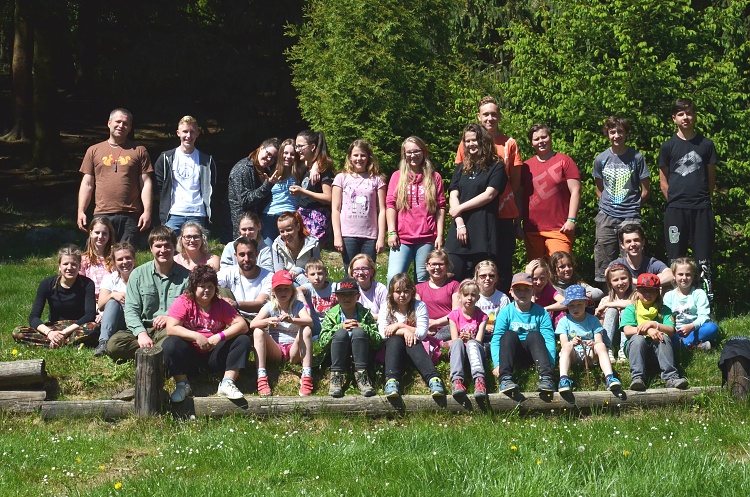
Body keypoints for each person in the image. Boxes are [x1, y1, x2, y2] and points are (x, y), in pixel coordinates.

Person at [455, 96, 523, 292]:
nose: (489, 118)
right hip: (474, 214)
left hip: (503, 213)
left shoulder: (509, 144)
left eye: (493, 114)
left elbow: (516, 184)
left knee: (502, 263)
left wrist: (518, 220)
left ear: (499, 116)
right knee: (473, 265)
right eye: (485, 114)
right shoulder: (467, 143)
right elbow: (461, 179)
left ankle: (502, 304)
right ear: (479, 116)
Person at [659, 98, 718, 301]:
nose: (686, 117)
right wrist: (675, 202)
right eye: (681, 114)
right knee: (676, 258)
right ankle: (674, 304)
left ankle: (705, 303)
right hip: (675, 210)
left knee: (703, 260)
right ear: (674, 118)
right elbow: (663, 182)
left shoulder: (706, 145)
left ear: (695, 115)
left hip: (701, 208)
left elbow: (711, 178)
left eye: (689, 113)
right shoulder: (668, 147)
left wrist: (704, 200)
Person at [163, 265, 250, 403]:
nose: (207, 290)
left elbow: (242, 325)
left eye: (210, 286)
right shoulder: (184, 302)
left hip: (215, 355)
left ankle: (228, 382)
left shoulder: (221, 304)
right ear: (194, 287)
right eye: (202, 286)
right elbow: (171, 328)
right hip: (190, 356)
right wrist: (196, 336)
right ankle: (182, 384)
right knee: (170, 343)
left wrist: (219, 337)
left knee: (243, 339)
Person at [106, 226, 190, 362]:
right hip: (144, 326)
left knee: (171, 344)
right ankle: (155, 352)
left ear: (174, 247)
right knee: (114, 345)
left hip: (170, 330)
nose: (163, 250)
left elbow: (192, 311)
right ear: (151, 248)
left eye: (167, 246)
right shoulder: (137, 274)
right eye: (158, 246)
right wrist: (141, 333)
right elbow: (131, 310)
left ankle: (152, 353)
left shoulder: (187, 277)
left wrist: (170, 318)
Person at [77, 108, 153, 245]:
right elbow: (87, 183)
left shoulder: (139, 151)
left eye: (125, 123)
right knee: (98, 254)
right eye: (118, 122)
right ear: (109, 123)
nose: (121, 126)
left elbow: (146, 183)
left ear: (130, 128)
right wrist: (81, 211)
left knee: (126, 255)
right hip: (102, 213)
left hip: (130, 214)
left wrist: (147, 211)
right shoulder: (94, 150)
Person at [445, 123, 507, 281]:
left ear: (483, 141)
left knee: (483, 280)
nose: (471, 144)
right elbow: (453, 194)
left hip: (483, 231)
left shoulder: (497, 166)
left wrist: (460, 208)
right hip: (459, 230)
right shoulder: (461, 167)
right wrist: (459, 223)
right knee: (452, 276)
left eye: (474, 140)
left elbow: (489, 195)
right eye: (467, 141)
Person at [593, 116, 650, 284]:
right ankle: (605, 295)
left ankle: (635, 295)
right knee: (603, 259)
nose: (616, 136)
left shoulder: (637, 158)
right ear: (607, 134)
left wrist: (634, 207)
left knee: (633, 258)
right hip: (606, 216)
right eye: (612, 132)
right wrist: (608, 206)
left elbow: (645, 190)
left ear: (626, 134)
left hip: (630, 215)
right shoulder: (601, 159)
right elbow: (599, 188)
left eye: (620, 132)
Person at [386, 136, 446, 285]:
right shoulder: (397, 176)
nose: (413, 155)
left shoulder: (434, 177)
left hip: (426, 238)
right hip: (402, 239)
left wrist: (439, 235)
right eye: (409, 152)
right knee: (394, 277)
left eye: (416, 151)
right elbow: (391, 205)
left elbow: (440, 207)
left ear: (424, 152)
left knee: (423, 281)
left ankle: (420, 302)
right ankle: (393, 302)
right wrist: (392, 232)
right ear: (404, 154)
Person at [12, 244, 97, 348]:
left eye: (74, 264)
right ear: (59, 266)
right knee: (18, 332)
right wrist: (50, 333)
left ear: (79, 266)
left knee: (93, 327)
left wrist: (64, 333)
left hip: (76, 327)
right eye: (65, 264)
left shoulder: (87, 284)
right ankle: (68, 342)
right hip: (54, 327)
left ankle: (55, 343)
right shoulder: (47, 284)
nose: (69, 267)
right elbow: (34, 317)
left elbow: (90, 315)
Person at [379, 273, 446, 398]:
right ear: (391, 293)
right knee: (394, 339)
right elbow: (383, 333)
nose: (402, 295)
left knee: (413, 339)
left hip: (416, 348)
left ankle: (433, 379)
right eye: (398, 292)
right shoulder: (386, 307)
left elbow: (422, 333)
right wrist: (405, 331)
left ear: (412, 291)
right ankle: (391, 381)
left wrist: (399, 326)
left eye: (406, 291)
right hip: (393, 350)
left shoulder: (419, 306)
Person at [521, 124, 581, 260]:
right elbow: (519, 196)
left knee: (561, 268)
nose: (541, 141)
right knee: (537, 271)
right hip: (532, 230)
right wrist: (517, 223)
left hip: (559, 229)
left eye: (544, 137)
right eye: (536, 139)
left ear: (550, 137)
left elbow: (576, 191)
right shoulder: (525, 167)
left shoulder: (565, 161)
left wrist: (571, 219)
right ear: (531, 143)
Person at [249, 270, 314, 396]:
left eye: (286, 289)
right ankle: (261, 376)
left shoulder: (298, 305)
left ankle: (307, 375)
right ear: (273, 291)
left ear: (292, 291)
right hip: (276, 349)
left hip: (294, 350)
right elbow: (253, 324)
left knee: (306, 329)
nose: (283, 292)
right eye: (279, 289)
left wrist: (292, 320)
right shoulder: (270, 306)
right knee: (258, 331)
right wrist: (267, 321)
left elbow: (310, 321)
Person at [491, 273, 556, 394]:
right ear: (511, 292)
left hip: (535, 354)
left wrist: (551, 363)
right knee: (508, 335)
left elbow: (549, 338)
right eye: (518, 290)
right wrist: (497, 364)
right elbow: (496, 339)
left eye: (526, 289)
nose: (522, 293)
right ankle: (505, 378)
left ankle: (546, 378)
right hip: (512, 354)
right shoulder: (505, 312)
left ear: (533, 291)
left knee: (534, 335)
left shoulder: (542, 313)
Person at [621, 273, 688, 390]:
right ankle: (637, 378)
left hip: (658, 351)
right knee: (637, 338)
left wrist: (655, 324)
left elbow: (671, 330)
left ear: (658, 292)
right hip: (636, 350)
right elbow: (627, 330)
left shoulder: (664, 309)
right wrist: (648, 330)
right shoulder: (631, 308)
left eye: (652, 291)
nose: (648, 294)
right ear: (637, 291)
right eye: (644, 291)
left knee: (663, 337)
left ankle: (671, 377)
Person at [319, 277, 380, 397]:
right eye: (343, 295)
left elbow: (378, 341)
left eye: (351, 295)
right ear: (336, 297)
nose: (347, 298)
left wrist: (363, 327)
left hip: (363, 355)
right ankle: (336, 376)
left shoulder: (366, 314)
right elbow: (322, 342)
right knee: (340, 333)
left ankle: (362, 375)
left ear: (358, 296)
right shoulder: (331, 315)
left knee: (359, 332)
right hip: (339, 355)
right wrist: (339, 327)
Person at [154, 116, 216, 233]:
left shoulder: (206, 160)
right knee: (170, 244)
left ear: (197, 134)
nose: (188, 136)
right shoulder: (166, 158)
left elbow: (212, 187)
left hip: (198, 214)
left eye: (192, 132)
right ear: (178, 133)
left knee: (196, 245)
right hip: (173, 214)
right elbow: (159, 187)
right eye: (185, 131)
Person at [555, 285, 622, 392]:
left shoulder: (593, 320)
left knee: (601, 346)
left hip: (590, 354)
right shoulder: (564, 321)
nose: (575, 308)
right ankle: (563, 379)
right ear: (567, 306)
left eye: (579, 304)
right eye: (572, 305)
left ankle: (609, 377)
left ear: (586, 304)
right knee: (567, 346)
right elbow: (563, 343)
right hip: (573, 355)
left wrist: (593, 344)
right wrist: (572, 343)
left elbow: (599, 341)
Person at [331, 139, 387, 268]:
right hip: (348, 234)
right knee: (351, 272)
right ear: (350, 157)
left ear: (368, 157)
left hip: (370, 236)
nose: (359, 159)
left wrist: (381, 237)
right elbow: (335, 209)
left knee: (367, 271)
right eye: (356, 155)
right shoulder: (341, 178)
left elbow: (382, 210)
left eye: (363, 155)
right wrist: (337, 235)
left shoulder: (377, 180)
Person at [663, 257, 718, 351]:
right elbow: (666, 318)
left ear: (693, 276)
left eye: (688, 275)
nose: (684, 278)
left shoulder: (699, 293)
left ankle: (683, 345)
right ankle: (695, 346)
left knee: (712, 328)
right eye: (680, 274)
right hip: (675, 332)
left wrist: (692, 326)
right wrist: (672, 330)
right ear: (674, 276)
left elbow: (704, 316)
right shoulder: (669, 296)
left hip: (694, 329)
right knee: (665, 337)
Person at [227, 138, 279, 236]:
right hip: (243, 227)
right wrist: (267, 186)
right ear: (261, 148)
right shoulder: (243, 168)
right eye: (268, 154)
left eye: (273, 158)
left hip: (257, 225)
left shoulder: (265, 170)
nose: (269, 159)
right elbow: (245, 200)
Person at [290, 130, 334, 242]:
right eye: (296, 146)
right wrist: (315, 164)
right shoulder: (308, 167)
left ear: (313, 147)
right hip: (303, 215)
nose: (297, 150)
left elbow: (329, 198)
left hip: (316, 217)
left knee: (312, 252)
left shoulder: (323, 170)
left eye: (300, 146)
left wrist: (303, 192)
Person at [448, 279, 488, 399]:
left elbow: (479, 340)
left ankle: (479, 380)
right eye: (466, 295)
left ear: (478, 298)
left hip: (475, 349)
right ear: (459, 297)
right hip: (459, 348)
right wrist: (461, 338)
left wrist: (471, 338)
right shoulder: (453, 315)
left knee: (472, 343)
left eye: (473, 295)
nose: (469, 298)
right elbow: (454, 338)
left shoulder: (482, 316)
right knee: (457, 342)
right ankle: (457, 381)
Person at [96, 241, 137, 356]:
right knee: (112, 302)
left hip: (137, 318)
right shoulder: (110, 279)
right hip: (118, 320)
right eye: (120, 259)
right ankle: (103, 342)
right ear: (114, 262)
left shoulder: (142, 277)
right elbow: (100, 305)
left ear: (134, 259)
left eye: (128, 258)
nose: (125, 262)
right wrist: (112, 295)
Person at [216, 237, 272, 320]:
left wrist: (236, 304)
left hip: (257, 319)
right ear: (235, 256)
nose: (246, 259)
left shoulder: (269, 276)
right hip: (233, 316)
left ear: (257, 254)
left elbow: (260, 304)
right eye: (242, 255)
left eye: (250, 254)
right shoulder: (228, 272)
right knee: (219, 289)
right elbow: (210, 285)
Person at [260, 138, 301, 246]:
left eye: (292, 154)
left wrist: (315, 167)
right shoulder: (271, 171)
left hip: (290, 215)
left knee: (289, 249)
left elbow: (316, 159)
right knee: (268, 249)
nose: (288, 156)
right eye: (285, 153)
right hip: (270, 215)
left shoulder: (299, 172)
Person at [609, 223, 673, 287]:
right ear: (622, 245)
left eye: (636, 240)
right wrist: (642, 282)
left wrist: (649, 284)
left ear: (643, 242)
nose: (633, 244)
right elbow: (608, 274)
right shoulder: (617, 264)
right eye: (628, 241)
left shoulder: (651, 263)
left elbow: (671, 275)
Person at [415, 249, 459, 342]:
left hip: (448, 326)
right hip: (425, 326)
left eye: (441, 264)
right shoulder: (418, 288)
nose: (437, 267)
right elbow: (415, 314)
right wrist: (426, 326)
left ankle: (434, 342)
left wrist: (436, 322)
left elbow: (456, 313)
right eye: (433, 264)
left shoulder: (454, 285)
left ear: (447, 267)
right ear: (427, 266)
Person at [594, 263, 635, 363]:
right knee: (612, 310)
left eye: (623, 278)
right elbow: (601, 325)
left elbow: (633, 303)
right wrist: (599, 317)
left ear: (630, 279)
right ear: (610, 283)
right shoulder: (605, 300)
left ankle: (623, 349)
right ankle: (607, 349)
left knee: (626, 310)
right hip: (610, 336)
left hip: (629, 336)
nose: (620, 282)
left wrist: (608, 305)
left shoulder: (635, 295)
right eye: (615, 280)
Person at [271, 211, 321, 286]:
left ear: (298, 227)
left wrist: (298, 271)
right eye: (282, 231)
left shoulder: (312, 244)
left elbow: (317, 271)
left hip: (310, 282)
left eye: (289, 230)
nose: (285, 234)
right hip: (287, 285)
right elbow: (279, 275)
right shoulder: (276, 246)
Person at [297, 258, 337, 339]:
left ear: (326, 273)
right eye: (312, 274)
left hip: (332, 322)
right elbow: (297, 290)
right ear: (306, 276)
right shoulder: (309, 288)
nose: (316, 277)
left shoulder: (334, 287)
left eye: (320, 273)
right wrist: (306, 306)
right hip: (316, 324)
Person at [474, 260, 511, 345]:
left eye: (491, 276)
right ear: (476, 278)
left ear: (496, 278)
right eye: (483, 276)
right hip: (477, 333)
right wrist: (484, 327)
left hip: (497, 333)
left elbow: (506, 321)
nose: (487, 278)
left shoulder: (503, 298)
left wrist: (495, 327)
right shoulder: (472, 297)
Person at [80, 216, 116, 301]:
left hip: (112, 301)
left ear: (109, 235)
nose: (100, 236)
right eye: (97, 232)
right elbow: (79, 286)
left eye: (104, 233)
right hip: (90, 301)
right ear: (91, 233)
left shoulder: (116, 258)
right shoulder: (83, 260)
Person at [526, 258, 565, 326]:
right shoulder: (526, 290)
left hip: (543, 320)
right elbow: (531, 308)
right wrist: (528, 279)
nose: (539, 282)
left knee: (560, 312)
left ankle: (561, 331)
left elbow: (565, 302)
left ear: (547, 276)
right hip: (529, 321)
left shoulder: (548, 289)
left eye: (542, 278)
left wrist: (544, 309)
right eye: (534, 279)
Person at [349, 254, 387, 320]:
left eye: (364, 269)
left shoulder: (380, 289)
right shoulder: (350, 290)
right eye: (357, 269)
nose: (360, 272)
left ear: (372, 271)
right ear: (352, 273)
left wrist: (365, 318)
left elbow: (386, 314)